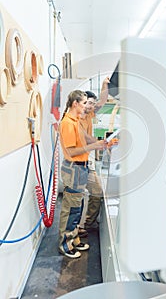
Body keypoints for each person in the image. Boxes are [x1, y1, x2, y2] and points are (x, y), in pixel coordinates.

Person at [58, 89, 107, 258]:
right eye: (85, 103)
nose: (87, 106)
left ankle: (74, 238)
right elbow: (71, 152)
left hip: (82, 166)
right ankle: (65, 244)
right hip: (73, 168)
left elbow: (85, 139)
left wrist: (98, 143)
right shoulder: (68, 123)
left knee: (77, 207)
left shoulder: (77, 120)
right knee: (71, 208)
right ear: (75, 104)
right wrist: (94, 146)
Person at [79, 77, 109, 233]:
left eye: (92, 103)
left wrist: (104, 84)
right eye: (88, 103)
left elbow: (102, 102)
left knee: (96, 192)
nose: (90, 106)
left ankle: (87, 223)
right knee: (77, 200)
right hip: (77, 164)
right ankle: (78, 228)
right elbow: (85, 138)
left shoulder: (89, 115)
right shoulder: (76, 119)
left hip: (87, 163)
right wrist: (100, 143)